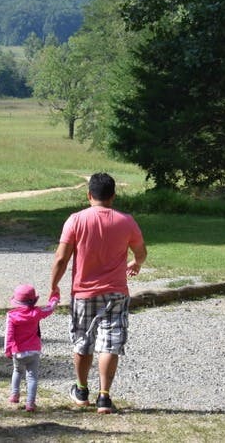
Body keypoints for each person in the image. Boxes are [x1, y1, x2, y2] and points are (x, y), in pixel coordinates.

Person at [49, 173, 147, 414]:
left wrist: (54, 285)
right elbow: (141, 251)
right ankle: (104, 397)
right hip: (116, 292)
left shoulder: (75, 220)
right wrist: (136, 263)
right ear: (113, 196)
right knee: (110, 343)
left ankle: (82, 391)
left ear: (89, 195)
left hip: (83, 292)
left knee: (83, 340)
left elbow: (62, 258)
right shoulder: (126, 221)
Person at [4, 284, 60, 412]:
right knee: (32, 377)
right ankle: (30, 403)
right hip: (34, 351)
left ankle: (14, 395)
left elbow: (9, 335)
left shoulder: (11, 316)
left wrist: (8, 349)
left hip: (18, 351)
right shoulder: (36, 313)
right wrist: (55, 297)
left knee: (17, 371)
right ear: (33, 300)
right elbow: (50, 308)